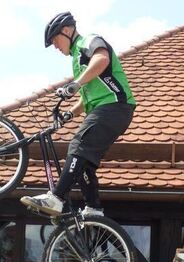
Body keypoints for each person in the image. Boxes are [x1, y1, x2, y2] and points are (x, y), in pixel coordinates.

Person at [21, 11, 136, 217]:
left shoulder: (88, 41)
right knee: (84, 162)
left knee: (78, 146)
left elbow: (101, 59)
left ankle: (56, 198)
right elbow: (86, 98)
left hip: (115, 106)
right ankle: (94, 210)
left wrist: (75, 83)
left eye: (55, 39)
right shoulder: (77, 59)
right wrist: (69, 114)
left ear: (67, 30)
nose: (55, 46)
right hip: (108, 109)